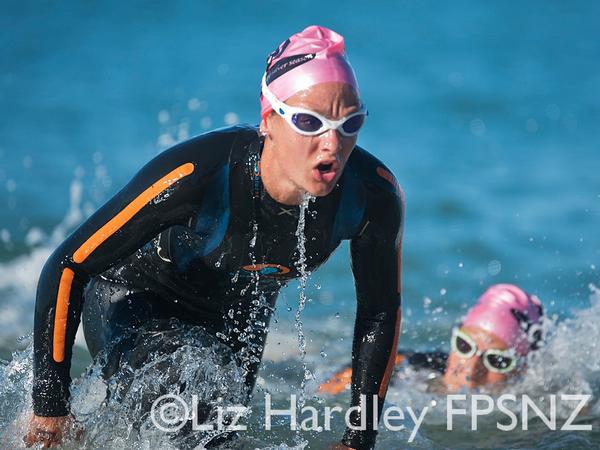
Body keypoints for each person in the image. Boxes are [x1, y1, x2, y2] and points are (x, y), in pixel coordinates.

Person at [24, 25, 404, 450]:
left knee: (219, 440)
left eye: (349, 122)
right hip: (136, 299)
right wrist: (50, 409)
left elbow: (379, 311)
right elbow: (69, 264)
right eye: (309, 122)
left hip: (241, 317)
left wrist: (358, 439)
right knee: (191, 429)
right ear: (269, 121)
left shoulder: (372, 195)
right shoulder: (198, 174)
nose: (332, 143)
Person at [320, 284, 543, 395]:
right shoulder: (407, 367)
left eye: (497, 360)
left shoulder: (537, 406)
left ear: (522, 369)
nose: (471, 368)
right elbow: (322, 394)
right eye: (464, 346)